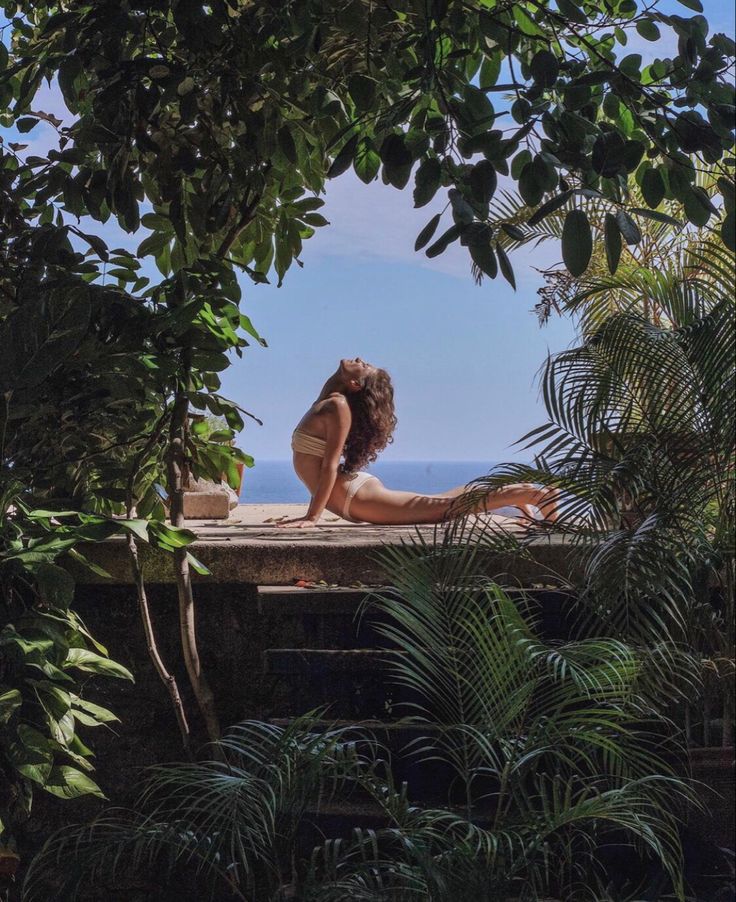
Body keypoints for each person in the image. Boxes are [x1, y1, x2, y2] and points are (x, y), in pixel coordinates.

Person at [276, 358, 558, 528]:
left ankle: (534, 496)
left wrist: (312, 517)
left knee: (444, 509)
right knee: (442, 501)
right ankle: (510, 495)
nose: (360, 359)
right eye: (363, 364)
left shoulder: (337, 406)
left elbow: (328, 467)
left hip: (355, 499)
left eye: (364, 366)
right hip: (351, 492)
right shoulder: (329, 400)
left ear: (354, 385)